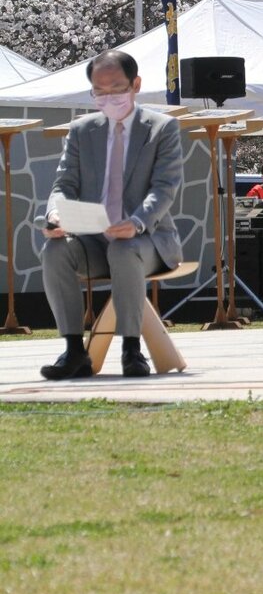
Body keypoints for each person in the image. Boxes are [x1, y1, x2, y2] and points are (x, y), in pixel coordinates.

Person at [39, 49, 183, 380]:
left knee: (124, 248)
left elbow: (164, 189)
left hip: (148, 241)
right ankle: (74, 350)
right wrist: (56, 215)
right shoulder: (81, 130)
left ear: (135, 85)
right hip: (93, 241)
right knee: (55, 250)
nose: (109, 97)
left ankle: (132, 350)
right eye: (99, 91)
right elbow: (63, 185)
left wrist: (135, 223)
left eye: (116, 88)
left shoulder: (162, 128)